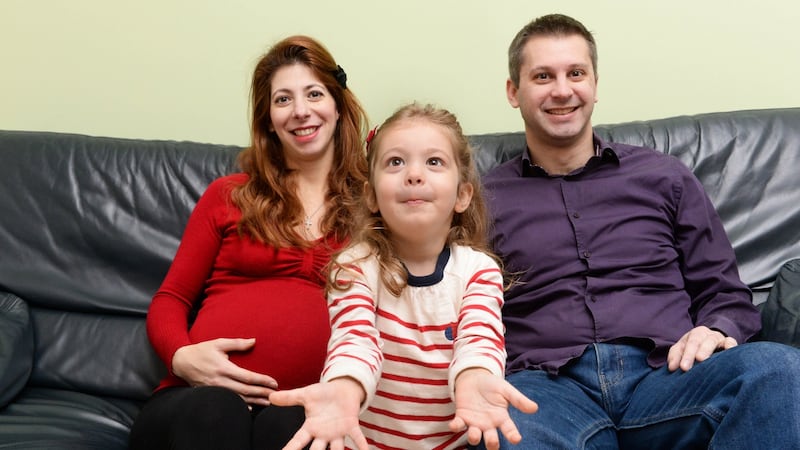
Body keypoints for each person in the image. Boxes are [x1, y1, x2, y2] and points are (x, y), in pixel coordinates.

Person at [482, 13, 800, 449]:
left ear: (595, 83)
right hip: (547, 392)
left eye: (576, 73)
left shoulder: (664, 177)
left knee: (780, 370)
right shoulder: (480, 199)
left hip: (668, 377)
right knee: (500, 428)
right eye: (542, 76)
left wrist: (717, 328)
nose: (562, 89)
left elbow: (725, 293)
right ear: (513, 92)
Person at [128, 35, 369, 450]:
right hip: (193, 404)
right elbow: (170, 298)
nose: (301, 111)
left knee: (295, 429)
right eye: (283, 100)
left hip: (304, 406)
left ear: (338, 103)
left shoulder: (374, 203)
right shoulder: (229, 194)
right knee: (216, 412)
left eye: (314, 94)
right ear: (267, 119)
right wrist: (182, 357)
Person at [269, 103, 538, 450]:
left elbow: (480, 339)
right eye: (395, 162)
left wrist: (475, 378)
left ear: (462, 195)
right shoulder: (354, 267)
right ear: (371, 196)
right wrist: (343, 388)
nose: (414, 174)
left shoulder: (478, 270)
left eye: (434, 162)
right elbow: (355, 342)